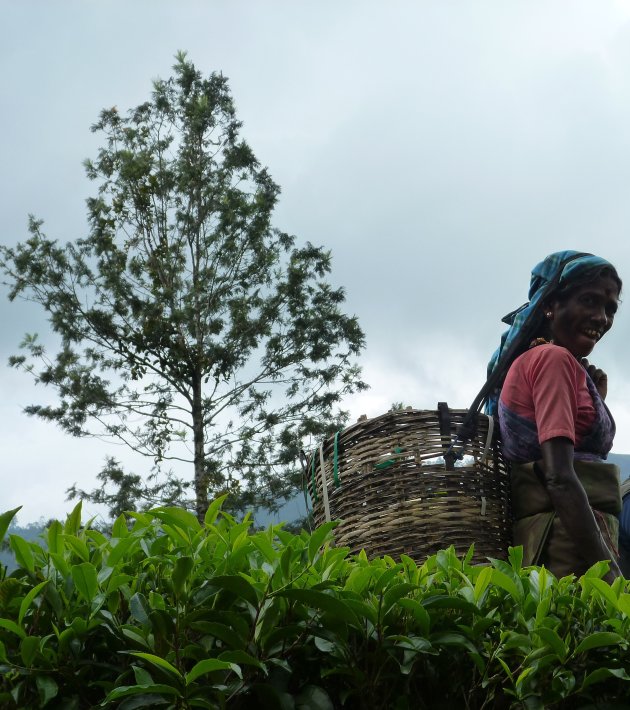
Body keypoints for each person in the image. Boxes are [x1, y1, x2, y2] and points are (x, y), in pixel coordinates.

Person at [487, 251, 623, 581]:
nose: (601, 318)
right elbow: (559, 477)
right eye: (589, 300)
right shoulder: (552, 360)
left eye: (610, 309)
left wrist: (593, 400)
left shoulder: (542, 361)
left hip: (556, 537)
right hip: (569, 544)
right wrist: (612, 576)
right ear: (550, 305)